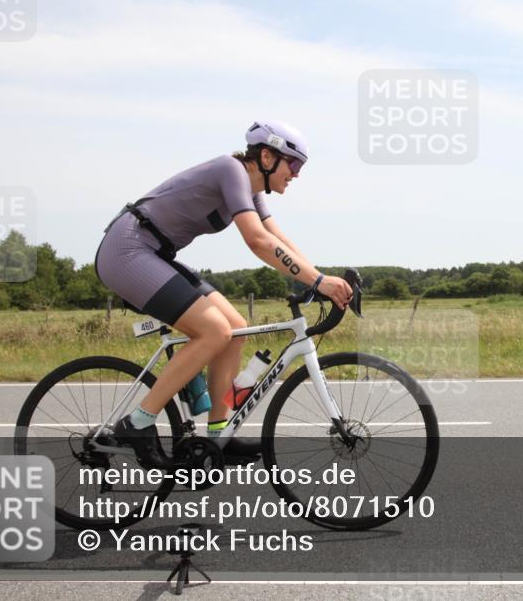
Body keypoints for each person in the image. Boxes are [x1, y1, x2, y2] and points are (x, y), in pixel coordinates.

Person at [95, 121, 352, 468]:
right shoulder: (230, 170)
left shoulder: (251, 188)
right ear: (266, 157)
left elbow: (276, 237)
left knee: (234, 328)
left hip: (153, 251)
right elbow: (257, 241)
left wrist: (319, 279)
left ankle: (219, 433)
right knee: (214, 331)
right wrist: (319, 281)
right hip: (126, 250)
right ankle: (138, 423)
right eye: (293, 164)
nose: (296, 174)